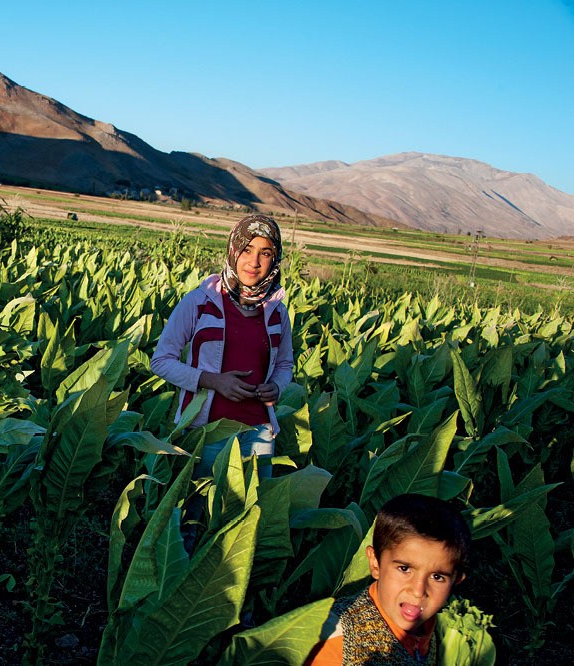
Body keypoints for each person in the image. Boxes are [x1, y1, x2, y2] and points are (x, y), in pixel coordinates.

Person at [150, 213, 294, 481]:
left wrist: (277, 386)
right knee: (195, 511)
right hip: (206, 429)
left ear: (275, 259)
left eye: (265, 253)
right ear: (233, 250)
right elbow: (161, 361)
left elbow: (285, 365)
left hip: (259, 433)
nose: (254, 262)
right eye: (247, 249)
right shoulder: (200, 302)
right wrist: (212, 381)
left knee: (249, 513)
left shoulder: (277, 311)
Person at [305, 493, 472, 665]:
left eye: (437, 577)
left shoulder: (435, 631)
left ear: (456, 580)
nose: (417, 591)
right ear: (375, 563)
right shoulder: (334, 637)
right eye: (404, 569)